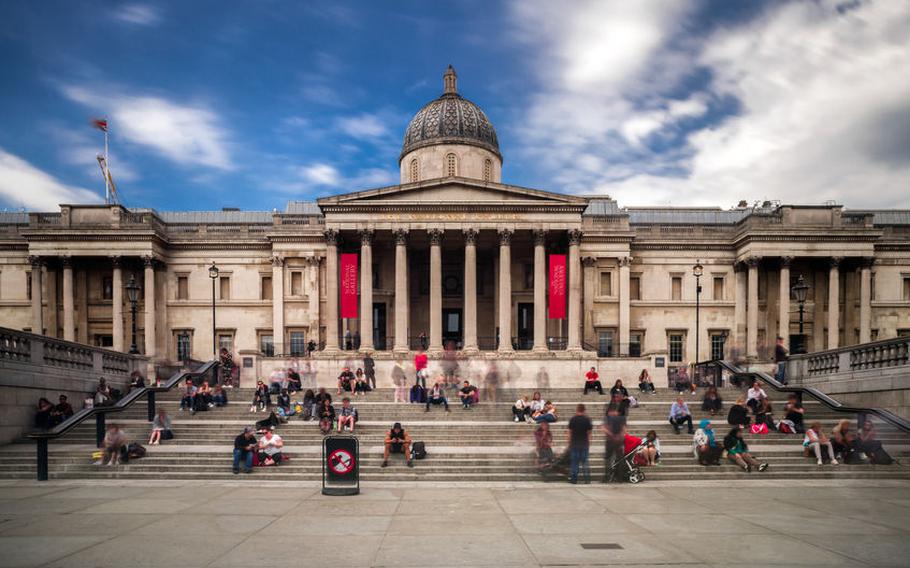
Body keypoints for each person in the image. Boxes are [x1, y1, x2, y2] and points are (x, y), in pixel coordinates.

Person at [567, 404, 593, 484]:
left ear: (577, 409)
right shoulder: (587, 420)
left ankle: (574, 479)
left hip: (575, 443)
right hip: (584, 443)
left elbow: (570, 432)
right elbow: (589, 433)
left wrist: (569, 442)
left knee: (575, 462)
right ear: (584, 410)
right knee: (585, 462)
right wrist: (589, 442)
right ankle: (587, 479)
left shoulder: (573, 419)